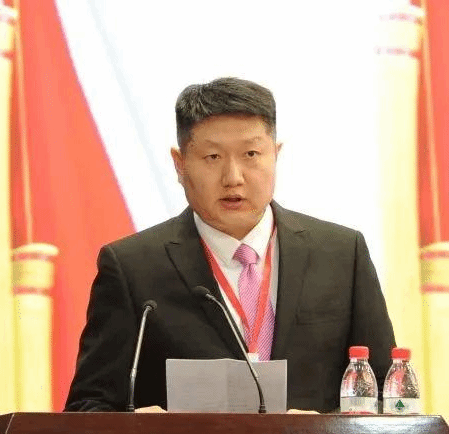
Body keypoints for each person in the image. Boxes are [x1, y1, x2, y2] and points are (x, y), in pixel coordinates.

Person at [65, 77, 395, 413]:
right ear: (179, 164)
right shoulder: (132, 267)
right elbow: (87, 407)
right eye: (212, 157)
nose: (233, 177)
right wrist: (137, 430)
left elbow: (385, 396)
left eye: (251, 154)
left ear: (275, 154)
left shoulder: (342, 254)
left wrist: (324, 432)